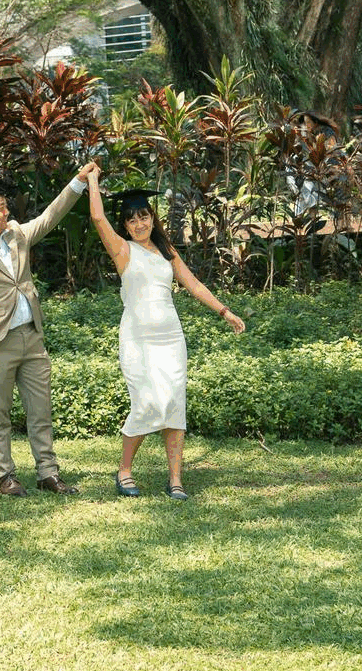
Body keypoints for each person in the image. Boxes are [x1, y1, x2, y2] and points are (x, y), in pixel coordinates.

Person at [82, 162, 245, 499]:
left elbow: (195, 285)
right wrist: (93, 180)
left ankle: (175, 480)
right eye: (132, 219)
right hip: (137, 340)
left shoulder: (167, 253)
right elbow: (98, 219)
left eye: (144, 216)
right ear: (125, 225)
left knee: (173, 403)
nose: (139, 223)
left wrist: (224, 311)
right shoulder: (123, 250)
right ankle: (124, 471)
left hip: (171, 339)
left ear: (152, 218)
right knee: (145, 403)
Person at [0, 166, 94, 497]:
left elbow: (50, 216)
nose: (7, 211)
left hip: (32, 337)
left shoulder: (16, 234)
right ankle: (4, 476)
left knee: (40, 410)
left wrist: (77, 183)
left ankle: (48, 473)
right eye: (0, 207)